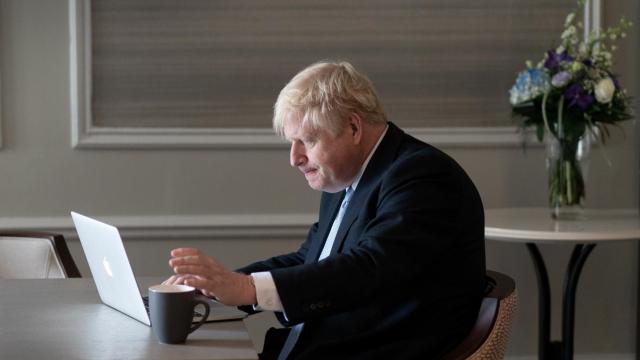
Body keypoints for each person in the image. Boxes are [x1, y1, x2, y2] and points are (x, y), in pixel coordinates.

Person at [165, 61, 486, 359]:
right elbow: (311, 260)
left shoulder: (422, 176)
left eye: (307, 140)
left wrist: (247, 289)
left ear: (353, 128)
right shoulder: (348, 176)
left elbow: (370, 269)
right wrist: (221, 284)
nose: (295, 158)